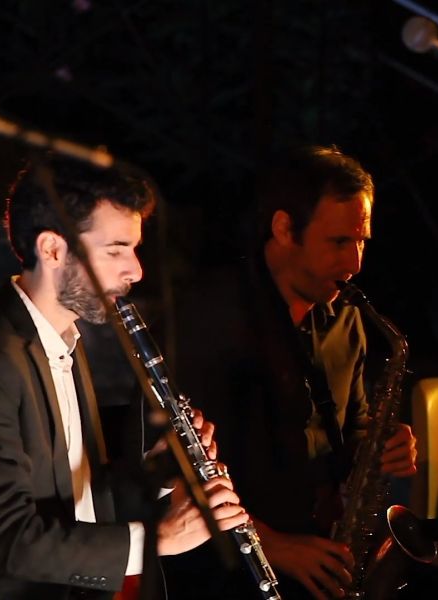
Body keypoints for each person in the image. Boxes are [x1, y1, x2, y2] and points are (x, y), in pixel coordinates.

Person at [0, 156, 249, 600]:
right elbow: (7, 539)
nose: (136, 271)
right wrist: (158, 540)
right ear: (53, 249)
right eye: (116, 250)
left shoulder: (64, 342)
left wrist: (160, 474)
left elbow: (79, 507)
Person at [169, 145, 418, 600]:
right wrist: (274, 545)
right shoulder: (213, 317)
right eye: (339, 242)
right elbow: (178, 467)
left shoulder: (347, 319)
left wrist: (381, 446)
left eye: (361, 241)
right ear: (284, 229)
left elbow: (352, 429)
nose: (355, 264)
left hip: (318, 552)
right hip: (229, 569)